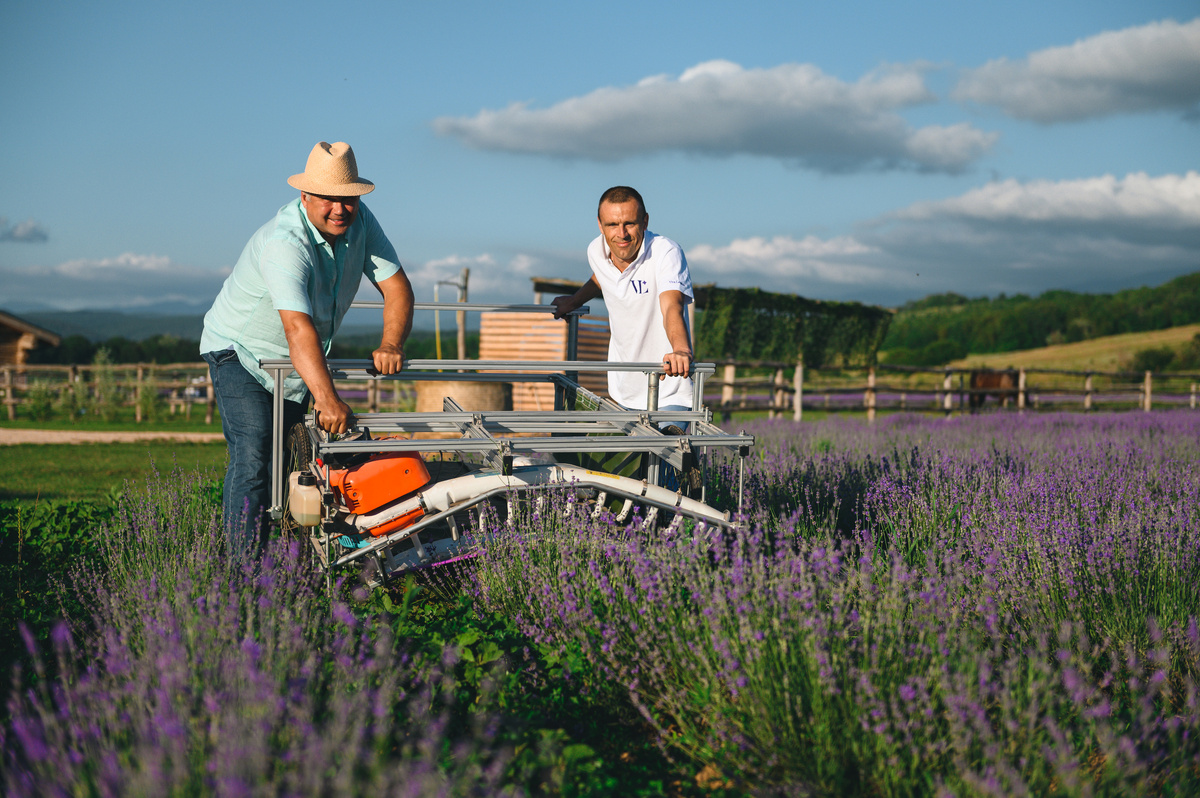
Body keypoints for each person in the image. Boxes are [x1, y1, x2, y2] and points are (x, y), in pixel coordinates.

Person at [200, 141, 414, 557]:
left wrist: (391, 343)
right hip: (241, 351)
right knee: (255, 453)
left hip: (296, 360)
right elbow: (297, 327)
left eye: (348, 199)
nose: (340, 209)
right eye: (328, 198)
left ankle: (294, 559)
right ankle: (242, 573)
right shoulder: (285, 242)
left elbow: (397, 288)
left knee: (298, 459)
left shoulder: (362, 221)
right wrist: (327, 398)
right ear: (305, 196)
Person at [551, 186, 695, 415]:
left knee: (667, 440)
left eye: (630, 223)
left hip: (669, 388)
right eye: (612, 225)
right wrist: (574, 301)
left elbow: (671, 306)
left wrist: (681, 351)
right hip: (623, 390)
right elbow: (602, 276)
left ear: (645, 222)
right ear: (600, 225)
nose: (622, 234)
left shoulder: (666, 252)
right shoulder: (595, 251)